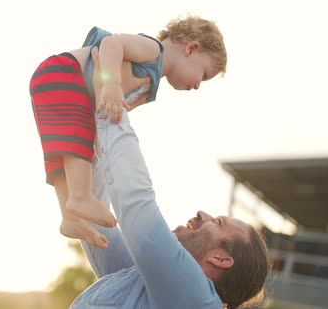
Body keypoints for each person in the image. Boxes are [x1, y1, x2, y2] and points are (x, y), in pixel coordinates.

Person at [29, 15, 226, 248]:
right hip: (64, 73)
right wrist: (111, 84)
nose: (197, 86)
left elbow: (107, 113)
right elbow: (112, 44)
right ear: (191, 48)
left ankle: (69, 216)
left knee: (63, 153)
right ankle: (80, 197)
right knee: (75, 143)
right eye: (203, 75)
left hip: (55, 84)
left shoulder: (148, 88)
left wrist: (99, 138)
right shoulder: (154, 51)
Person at [69, 98, 269, 308]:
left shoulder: (194, 298)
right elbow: (95, 226)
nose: (202, 214)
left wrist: (110, 99)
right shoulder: (150, 279)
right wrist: (86, 112)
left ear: (220, 259)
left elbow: (137, 204)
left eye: (218, 222)